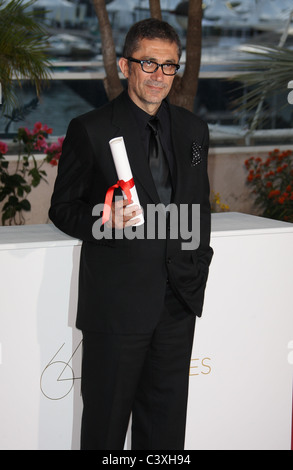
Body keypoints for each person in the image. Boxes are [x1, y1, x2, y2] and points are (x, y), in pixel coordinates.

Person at [49, 18, 213, 450]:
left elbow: (199, 207)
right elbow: (62, 209)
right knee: (104, 431)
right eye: (148, 64)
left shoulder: (194, 131)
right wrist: (104, 220)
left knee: (165, 434)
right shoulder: (91, 128)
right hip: (117, 308)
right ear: (125, 65)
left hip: (177, 305)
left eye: (169, 66)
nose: (160, 76)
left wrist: (197, 268)